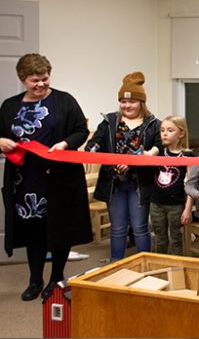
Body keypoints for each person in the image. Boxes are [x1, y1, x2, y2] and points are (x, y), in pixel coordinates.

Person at [0, 53, 92, 301]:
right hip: (25, 181)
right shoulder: (9, 106)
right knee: (33, 232)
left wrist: (65, 143)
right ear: (22, 79)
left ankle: (56, 277)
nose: (40, 84)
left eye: (44, 79)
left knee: (60, 228)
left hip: (60, 178)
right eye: (34, 80)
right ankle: (34, 280)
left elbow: (81, 130)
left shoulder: (64, 101)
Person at [86, 72, 161, 262]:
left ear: (141, 103)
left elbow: (160, 145)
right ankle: (115, 264)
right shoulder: (110, 121)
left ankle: (145, 264)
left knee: (140, 227)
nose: (127, 105)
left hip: (139, 184)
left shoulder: (153, 123)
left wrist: (149, 153)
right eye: (123, 101)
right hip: (114, 184)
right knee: (117, 228)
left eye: (132, 102)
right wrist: (91, 150)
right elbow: (96, 143)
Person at [150, 115, 194, 256]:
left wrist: (188, 209)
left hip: (176, 205)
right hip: (156, 203)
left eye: (170, 130)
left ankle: (176, 270)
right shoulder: (157, 153)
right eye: (162, 130)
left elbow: (191, 184)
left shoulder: (187, 155)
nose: (164, 133)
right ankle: (159, 266)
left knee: (176, 239)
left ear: (181, 133)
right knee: (159, 238)